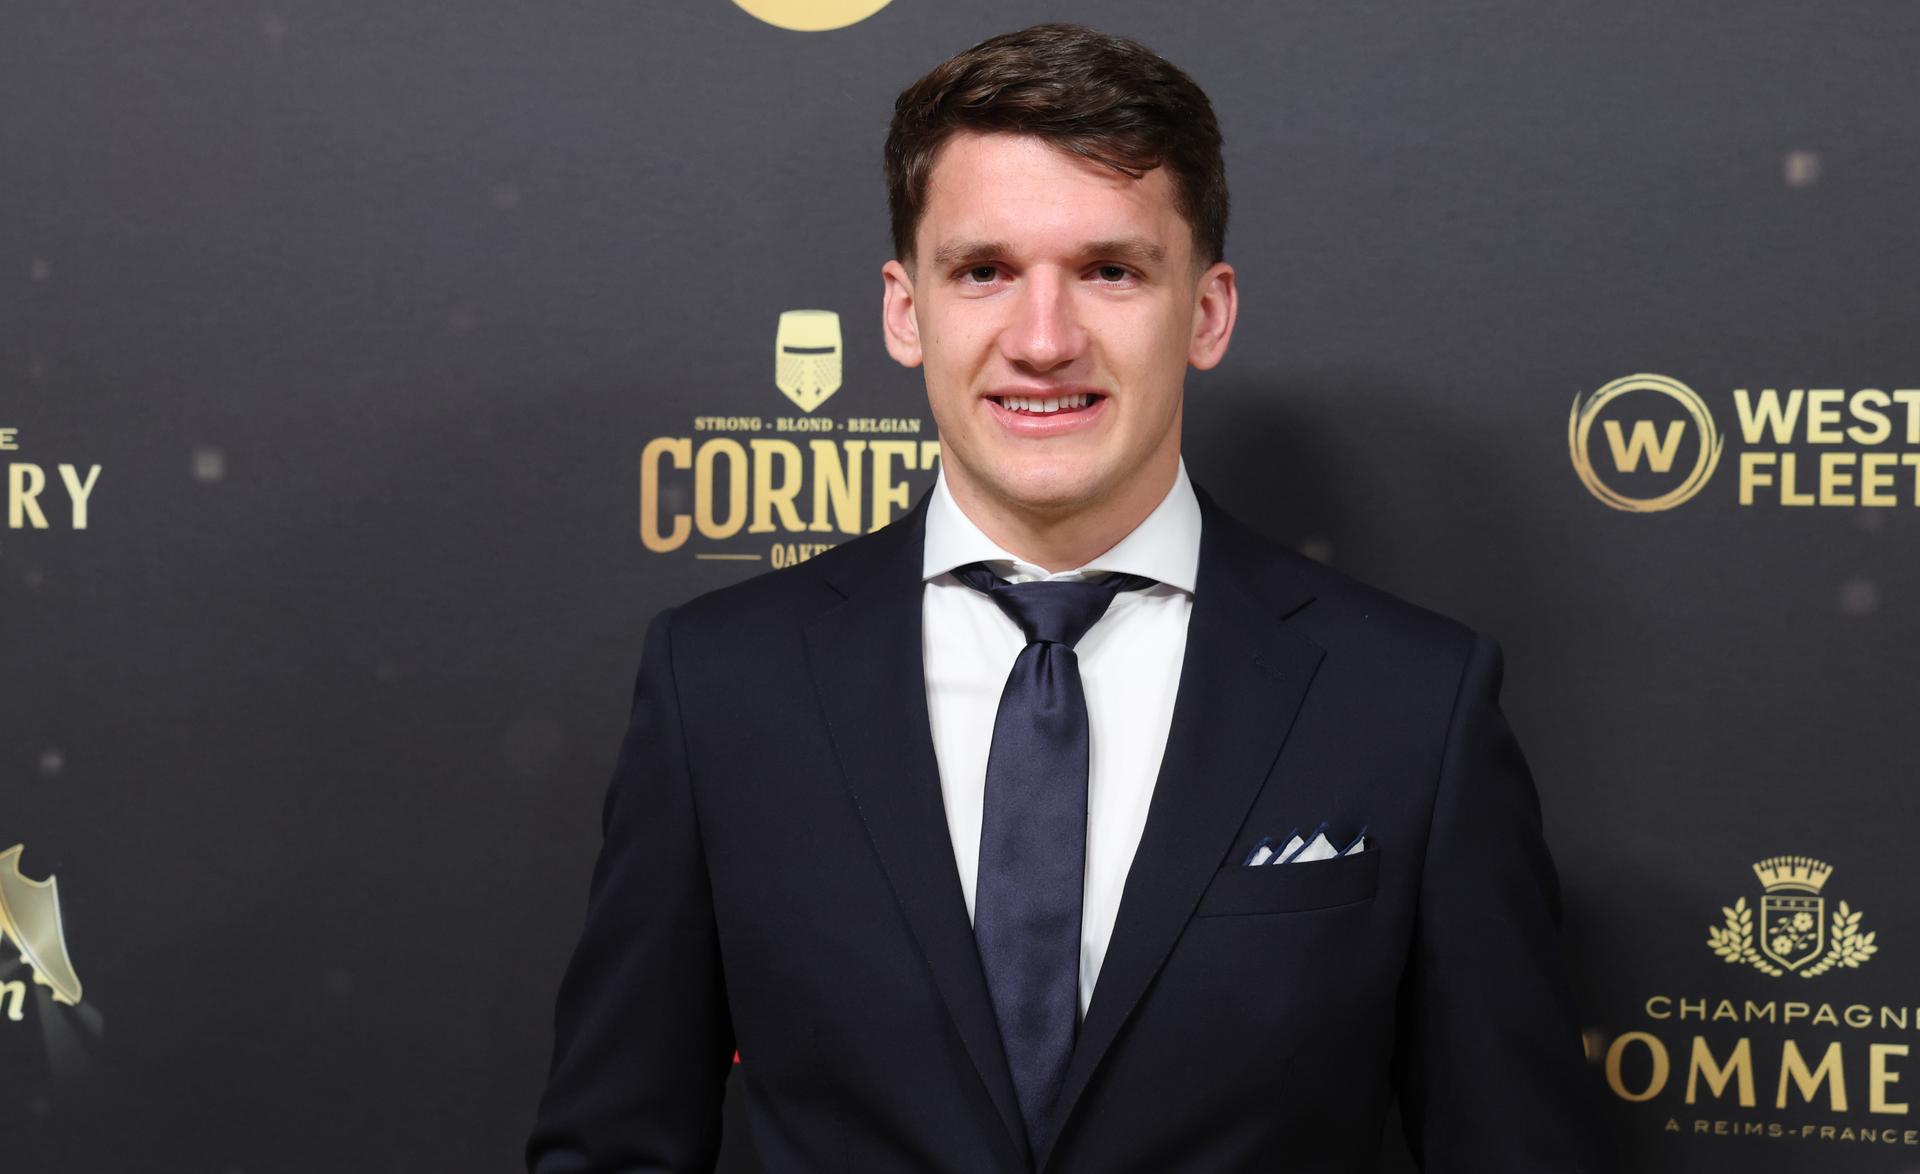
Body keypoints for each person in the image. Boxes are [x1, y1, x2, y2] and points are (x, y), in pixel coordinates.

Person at [527, 22, 1615, 1174]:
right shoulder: (721, 687)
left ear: (1207, 311)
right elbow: (614, 1145)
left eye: (1110, 271)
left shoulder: (1412, 704)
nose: (1043, 341)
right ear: (905, 311)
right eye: (983, 271)